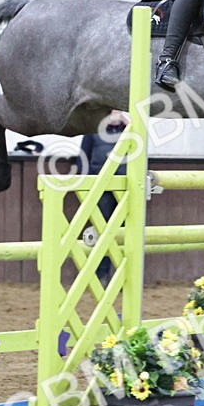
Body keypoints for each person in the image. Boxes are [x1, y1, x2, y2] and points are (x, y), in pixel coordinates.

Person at [74, 110, 129, 284]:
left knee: (126, 234)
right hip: (101, 189)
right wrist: (86, 187)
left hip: (126, 189)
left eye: (118, 109)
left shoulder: (130, 131)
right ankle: (101, 277)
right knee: (102, 232)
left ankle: (123, 277)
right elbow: (82, 158)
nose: (115, 112)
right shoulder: (93, 130)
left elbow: (141, 157)